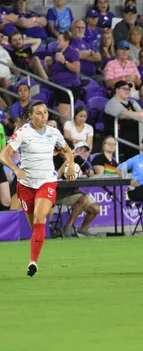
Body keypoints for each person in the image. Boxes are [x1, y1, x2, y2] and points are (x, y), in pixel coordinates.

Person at [0, 101, 77, 277]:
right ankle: (34, 254)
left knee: (39, 217)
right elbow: (3, 155)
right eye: (39, 114)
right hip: (26, 184)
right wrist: (17, 169)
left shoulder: (53, 132)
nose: (44, 117)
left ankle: (33, 262)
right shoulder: (23, 133)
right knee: (34, 224)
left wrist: (71, 164)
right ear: (30, 116)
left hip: (47, 181)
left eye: (45, 113)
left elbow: (67, 150)